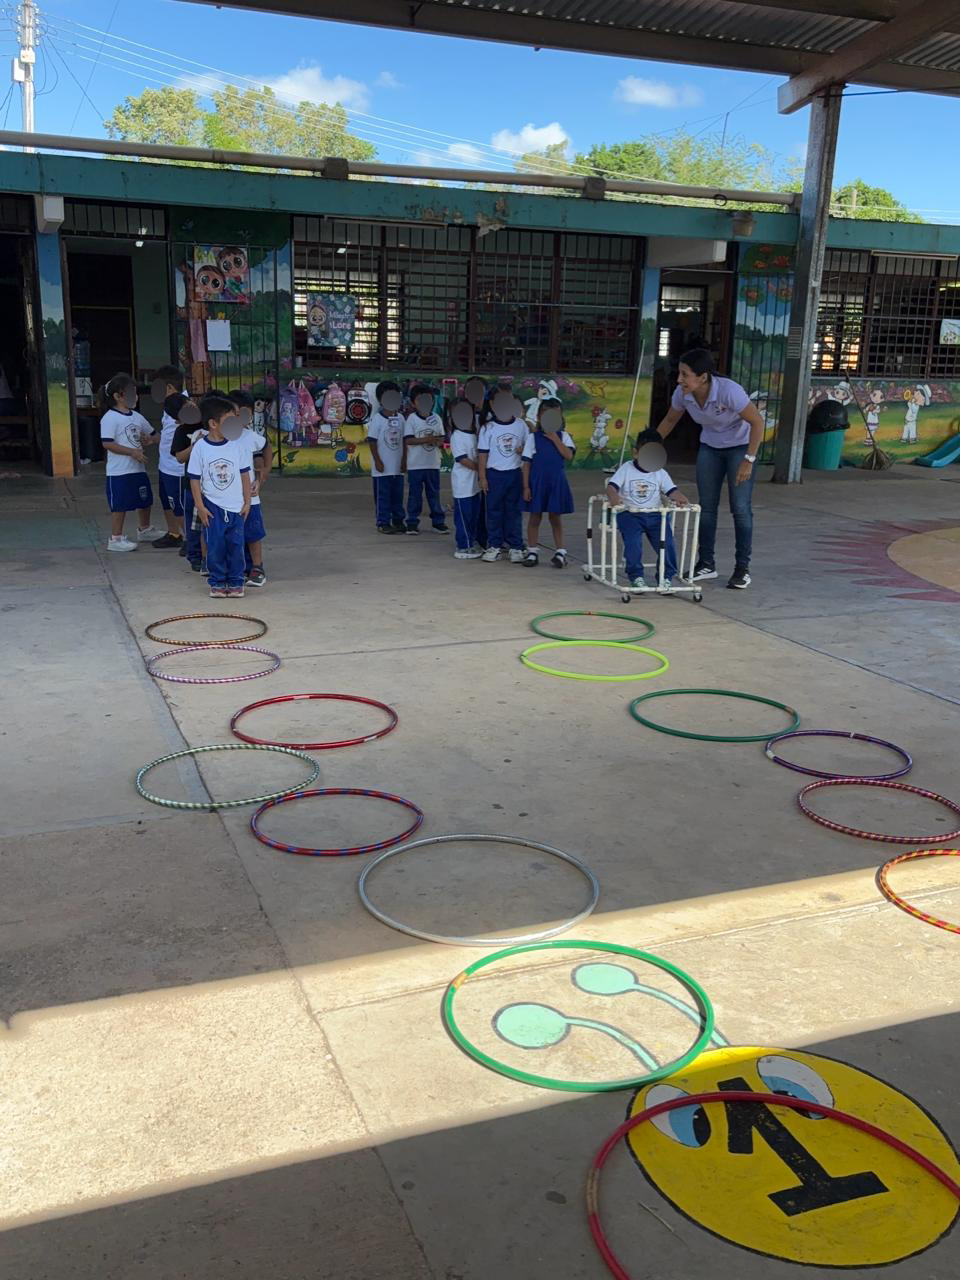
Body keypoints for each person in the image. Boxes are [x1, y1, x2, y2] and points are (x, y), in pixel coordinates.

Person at [653, 349, 765, 590]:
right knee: (706, 507)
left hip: (740, 447)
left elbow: (757, 422)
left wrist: (748, 459)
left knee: (740, 508)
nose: (679, 379)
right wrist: (649, 446)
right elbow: (670, 420)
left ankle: (742, 568)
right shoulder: (683, 394)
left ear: (703, 377)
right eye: (679, 374)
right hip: (710, 448)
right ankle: (706, 563)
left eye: (685, 375)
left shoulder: (728, 391)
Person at [187, 393, 251, 599]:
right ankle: (217, 582)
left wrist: (247, 502)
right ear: (213, 424)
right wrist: (200, 506)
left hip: (236, 507)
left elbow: (244, 475)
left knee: (236, 546)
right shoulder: (200, 448)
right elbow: (194, 479)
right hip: (212, 507)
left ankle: (236, 581)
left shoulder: (237, 445)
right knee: (215, 546)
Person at [607, 442, 689, 588]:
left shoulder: (660, 472)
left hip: (656, 515)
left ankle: (666, 577)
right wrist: (614, 497)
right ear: (636, 453)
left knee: (668, 544)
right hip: (630, 514)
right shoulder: (626, 468)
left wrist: (679, 497)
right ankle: (636, 576)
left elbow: (671, 490)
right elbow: (611, 486)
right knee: (633, 545)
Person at [99, 373, 164, 552]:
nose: (135, 397)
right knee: (120, 506)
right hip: (119, 471)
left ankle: (145, 529)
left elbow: (156, 435)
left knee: (145, 500)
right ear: (117, 396)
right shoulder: (110, 418)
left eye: (135, 393)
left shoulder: (137, 417)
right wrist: (132, 452)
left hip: (138, 468)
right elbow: (107, 443)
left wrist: (150, 440)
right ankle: (116, 538)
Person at [520, 399, 575, 568]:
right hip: (537, 483)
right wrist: (526, 487)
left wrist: (554, 438)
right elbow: (527, 463)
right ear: (539, 417)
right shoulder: (533, 438)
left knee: (555, 517)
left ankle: (560, 552)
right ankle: (532, 551)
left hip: (556, 483)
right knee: (535, 516)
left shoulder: (564, 437)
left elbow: (568, 455)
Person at [229, 389, 273, 588]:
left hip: (250, 497)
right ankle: (235, 567)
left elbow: (266, 448)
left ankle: (257, 567)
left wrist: (264, 473)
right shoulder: (218, 437)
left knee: (252, 533)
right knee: (230, 534)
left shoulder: (250, 436)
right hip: (226, 498)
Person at [477, 391, 527, 563]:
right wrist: (482, 477)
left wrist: (524, 450)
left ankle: (516, 546)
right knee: (493, 511)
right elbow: (482, 454)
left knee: (514, 511)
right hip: (494, 475)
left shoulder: (521, 425)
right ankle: (494, 545)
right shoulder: (487, 428)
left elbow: (530, 447)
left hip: (515, 474)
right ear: (492, 404)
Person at [403, 384, 449, 534]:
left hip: (432, 464)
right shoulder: (412, 419)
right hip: (416, 465)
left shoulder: (436, 418)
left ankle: (438, 522)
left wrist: (437, 441)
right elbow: (408, 440)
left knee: (434, 494)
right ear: (413, 403)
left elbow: (442, 438)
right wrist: (426, 439)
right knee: (415, 495)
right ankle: (412, 522)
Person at [170, 395, 206, 572]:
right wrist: (196, 445)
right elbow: (179, 457)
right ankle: (195, 556)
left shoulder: (209, 422)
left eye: (190, 404)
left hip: (214, 484)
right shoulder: (181, 431)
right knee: (194, 525)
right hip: (193, 484)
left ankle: (210, 556)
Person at [152, 365, 187, 549]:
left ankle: (192, 541)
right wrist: (154, 439)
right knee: (166, 501)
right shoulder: (169, 406)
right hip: (164, 464)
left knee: (179, 506)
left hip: (177, 467)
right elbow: (167, 433)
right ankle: (174, 533)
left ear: (170, 388)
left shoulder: (184, 406)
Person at [366, 380, 406, 534]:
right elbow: (372, 441)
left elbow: (404, 440)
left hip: (397, 468)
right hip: (382, 469)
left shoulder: (401, 418)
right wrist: (377, 461)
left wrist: (404, 460)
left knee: (397, 495)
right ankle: (383, 522)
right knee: (383, 496)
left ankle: (398, 520)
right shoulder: (377, 419)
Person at [448, 398, 484, 560]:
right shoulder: (457, 436)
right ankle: (463, 546)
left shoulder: (475, 433)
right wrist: (481, 469)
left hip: (474, 486)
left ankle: (472, 540)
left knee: (474, 515)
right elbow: (463, 460)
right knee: (463, 517)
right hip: (463, 485)